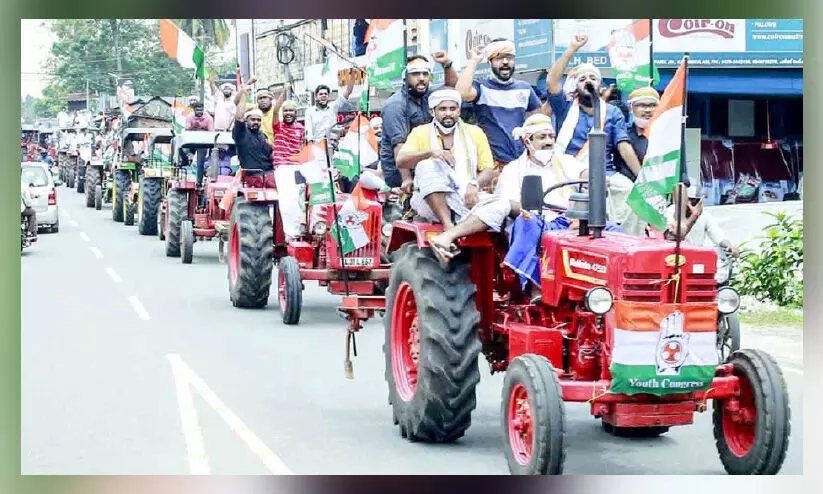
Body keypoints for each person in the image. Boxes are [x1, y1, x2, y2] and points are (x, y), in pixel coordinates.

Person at [407, 88, 511, 267]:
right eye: (443, 109)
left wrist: (473, 184)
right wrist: (432, 153)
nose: (448, 113)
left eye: (452, 109)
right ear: (432, 111)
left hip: (465, 198)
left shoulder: (474, 132)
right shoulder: (420, 132)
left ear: (459, 111)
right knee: (427, 164)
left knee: (504, 204)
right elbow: (401, 160)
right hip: (430, 201)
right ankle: (448, 225)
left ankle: (448, 236)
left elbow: (487, 169)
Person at [547, 33, 642, 227]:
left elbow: (623, 146)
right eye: (582, 78)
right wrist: (572, 49)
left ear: (600, 85)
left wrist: (642, 179)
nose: (588, 81)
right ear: (576, 85)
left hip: (605, 173)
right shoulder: (565, 108)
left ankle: (626, 245)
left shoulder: (612, 112)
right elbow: (551, 83)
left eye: (592, 78)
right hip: (569, 173)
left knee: (632, 194)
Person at [455, 39, 548, 182]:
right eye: (499, 58)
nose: (505, 62)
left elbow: (538, 124)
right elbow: (461, 93)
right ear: (490, 62)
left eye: (509, 58)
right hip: (492, 165)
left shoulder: (525, 88)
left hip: (523, 164)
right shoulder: (482, 87)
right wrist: (473, 61)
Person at [380, 53, 458, 192]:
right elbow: (399, 146)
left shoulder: (428, 96)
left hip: (426, 164)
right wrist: (406, 179)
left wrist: (447, 64)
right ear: (406, 77)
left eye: (425, 74)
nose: (421, 78)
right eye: (416, 74)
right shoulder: (395, 105)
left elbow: (451, 89)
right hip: (401, 173)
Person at [667, 183, 739, 257]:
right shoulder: (671, 210)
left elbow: (717, 234)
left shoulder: (705, 215)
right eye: (688, 200)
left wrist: (729, 246)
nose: (690, 204)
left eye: (694, 201)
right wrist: (693, 217)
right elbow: (671, 236)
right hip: (674, 255)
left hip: (695, 255)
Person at [232, 81, 275, 186]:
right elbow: (239, 117)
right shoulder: (241, 134)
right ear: (246, 121)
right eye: (253, 119)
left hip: (270, 174)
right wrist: (243, 95)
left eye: (258, 120)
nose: (256, 122)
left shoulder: (262, 135)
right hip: (254, 177)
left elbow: (271, 154)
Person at [269, 84, 305, 166]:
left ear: (295, 113)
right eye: (286, 111)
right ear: (282, 113)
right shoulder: (278, 126)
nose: (288, 113)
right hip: (280, 166)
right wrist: (284, 91)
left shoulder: (300, 128)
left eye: (291, 110)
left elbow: (302, 147)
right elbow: (275, 111)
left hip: (295, 165)